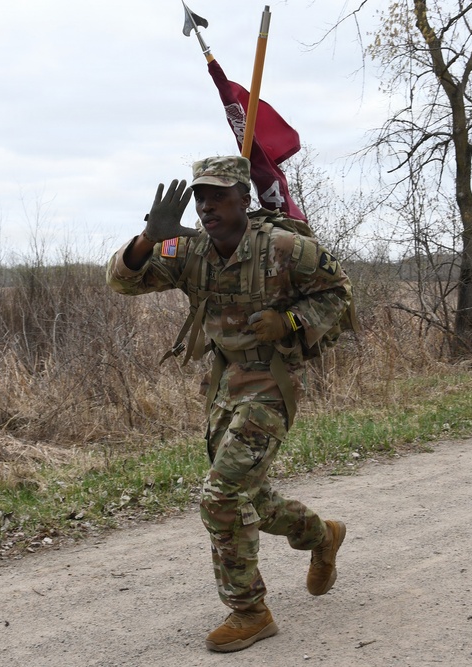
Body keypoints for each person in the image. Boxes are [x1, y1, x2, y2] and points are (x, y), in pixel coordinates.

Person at [106, 155, 350, 653]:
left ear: (244, 198)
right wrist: (147, 239)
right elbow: (122, 282)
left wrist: (290, 322)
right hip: (225, 383)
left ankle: (250, 611)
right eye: (201, 197)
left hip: (273, 382)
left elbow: (339, 294)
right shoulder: (187, 251)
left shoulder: (285, 248)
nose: (207, 206)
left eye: (218, 195)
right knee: (248, 497)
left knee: (221, 497)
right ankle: (321, 536)